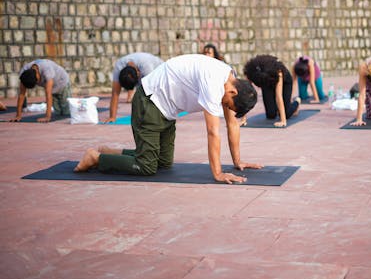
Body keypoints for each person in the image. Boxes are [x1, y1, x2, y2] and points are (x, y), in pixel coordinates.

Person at [75, 54, 262, 184]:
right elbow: (213, 132)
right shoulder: (214, 82)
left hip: (166, 110)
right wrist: (218, 173)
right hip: (149, 103)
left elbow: (232, 124)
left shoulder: (229, 79)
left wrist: (238, 162)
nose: (226, 107)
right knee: (146, 166)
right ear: (233, 92)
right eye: (228, 104)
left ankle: (110, 152)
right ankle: (97, 158)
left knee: (163, 163)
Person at [103, 52, 164, 123]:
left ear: (138, 74)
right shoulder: (118, 67)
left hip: (161, 71)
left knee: (149, 96)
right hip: (139, 69)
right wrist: (112, 117)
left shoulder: (147, 68)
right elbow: (115, 94)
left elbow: (153, 93)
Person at [244, 55, 300, 127]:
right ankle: (277, 109)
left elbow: (278, 96)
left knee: (286, 113)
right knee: (271, 115)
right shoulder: (251, 71)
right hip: (267, 81)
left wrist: (283, 120)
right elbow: (246, 94)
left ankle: (297, 102)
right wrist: (243, 119)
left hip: (285, 82)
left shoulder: (278, 71)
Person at [10, 59, 71, 123]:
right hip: (52, 87)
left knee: (67, 111)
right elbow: (21, 94)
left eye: (37, 81)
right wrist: (18, 116)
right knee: (58, 112)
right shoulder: (24, 73)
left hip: (62, 82)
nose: (38, 83)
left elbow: (48, 94)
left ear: (37, 75)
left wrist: (47, 117)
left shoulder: (46, 70)